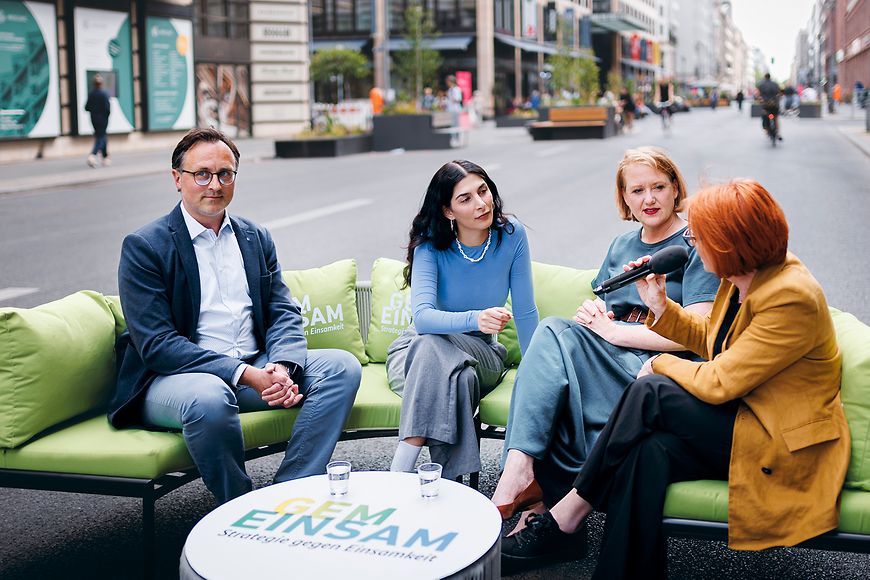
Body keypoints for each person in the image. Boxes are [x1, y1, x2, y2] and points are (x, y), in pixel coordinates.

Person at [500, 179, 850, 580]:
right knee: (647, 452)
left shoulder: (790, 295)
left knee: (653, 389)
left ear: (729, 241)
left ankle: (569, 511)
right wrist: (660, 306)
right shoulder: (745, 277)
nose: (692, 246)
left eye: (699, 237)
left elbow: (721, 380)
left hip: (778, 437)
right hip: (744, 415)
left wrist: (662, 363)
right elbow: (710, 338)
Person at [108, 128, 362, 504]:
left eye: (225, 174)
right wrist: (246, 375)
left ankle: (287, 496)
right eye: (202, 174)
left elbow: (282, 310)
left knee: (341, 367)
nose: (215, 184)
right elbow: (158, 345)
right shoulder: (145, 246)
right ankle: (239, 506)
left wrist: (281, 367)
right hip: (176, 380)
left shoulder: (254, 237)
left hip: (255, 366)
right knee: (209, 397)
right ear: (177, 178)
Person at [490, 147, 719, 528]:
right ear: (625, 198)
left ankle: (523, 482)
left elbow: (699, 332)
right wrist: (597, 316)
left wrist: (615, 330)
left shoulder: (695, 242)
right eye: (637, 190)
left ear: (675, 187)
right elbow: (607, 308)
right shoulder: (622, 246)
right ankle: (523, 475)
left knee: (553, 349)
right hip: (613, 351)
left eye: (658, 187)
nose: (648, 199)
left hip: (656, 365)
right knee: (554, 335)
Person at [386, 160, 539, 481]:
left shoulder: (511, 236)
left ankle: (398, 474)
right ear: (448, 211)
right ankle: (451, 484)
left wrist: (537, 369)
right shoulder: (431, 244)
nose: (481, 203)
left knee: (438, 353)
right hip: (415, 352)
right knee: (455, 375)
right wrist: (476, 317)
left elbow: (525, 311)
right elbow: (424, 319)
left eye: (483, 191)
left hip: (482, 352)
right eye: (465, 198)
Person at [84, 74, 111, 168]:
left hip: (94, 119)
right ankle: (92, 155)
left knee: (102, 136)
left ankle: (106, 157)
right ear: (101, 84)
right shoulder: (104, 94)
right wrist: (105, 116)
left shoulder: (91, 94)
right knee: (101, 137)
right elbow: (107, 109)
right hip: (103, 119)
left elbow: (86, 107)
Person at [756, 73, 782, 139]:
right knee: (775, 118)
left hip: (766, 105)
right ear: (770, 77)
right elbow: (780, 93)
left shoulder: (761, 85)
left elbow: (757, 95)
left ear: (765, 77)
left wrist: (759, 100)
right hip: (774, 104)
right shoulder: (775, 84)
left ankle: (767, 131)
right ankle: (778, 133)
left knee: (766, 117)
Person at [446, 75, 463, 146]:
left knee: (456, 124)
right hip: (450, 109)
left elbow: (458, 99)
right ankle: (453, 138)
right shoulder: (450, 90)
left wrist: (452, 98)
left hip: (456, 109)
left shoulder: (456, 89)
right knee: (452, 124)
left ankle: (457, 138)